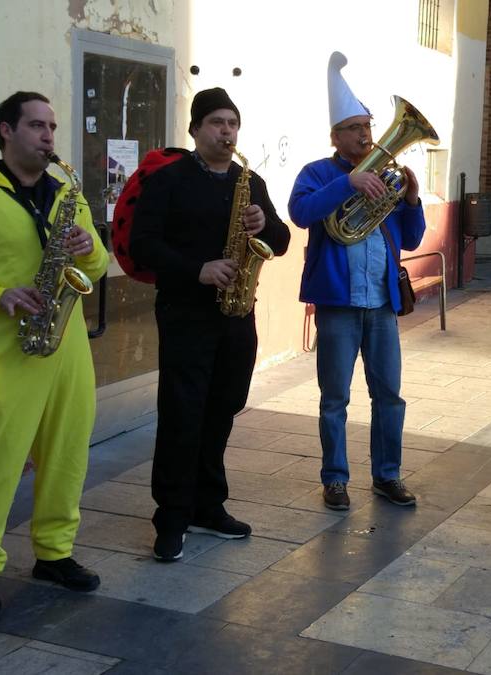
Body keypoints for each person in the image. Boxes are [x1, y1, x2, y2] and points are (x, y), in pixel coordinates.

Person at [0, 91, 109, 622]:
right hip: (8, 351)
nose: (48, 137)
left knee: (67, 456)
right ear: (5, 131)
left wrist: (90, 249)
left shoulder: (69, 198)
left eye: (53, 127)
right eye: (37, 125)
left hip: (69, 349)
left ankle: (54, 553)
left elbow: (99, 268)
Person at [130, 88, 290, 561]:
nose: (227, 132)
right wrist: (196, 268)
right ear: (196, 129)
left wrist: (266, 224)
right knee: (182, 415)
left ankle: (208, 506)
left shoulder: (250, 181)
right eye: (217, 123)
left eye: (233, 123)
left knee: (222, 410)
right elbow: (143, 245)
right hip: (186, 313)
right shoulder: (170, 180)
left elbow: (280, 240)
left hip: (237, 314)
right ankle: (172, 517)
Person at [288, 52, 426, 511]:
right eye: (354, 127)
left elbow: (410, 238)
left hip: (381, 305)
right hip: (338, 304)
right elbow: (301, 213)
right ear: (335, 135)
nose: (366, 134)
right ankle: (335, 479)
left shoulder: (386, 175)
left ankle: (388, 475)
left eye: (367, 124)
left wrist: (411, 200)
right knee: (335, 398)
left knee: (389, 395)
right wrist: (350, 182)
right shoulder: (318, 173)